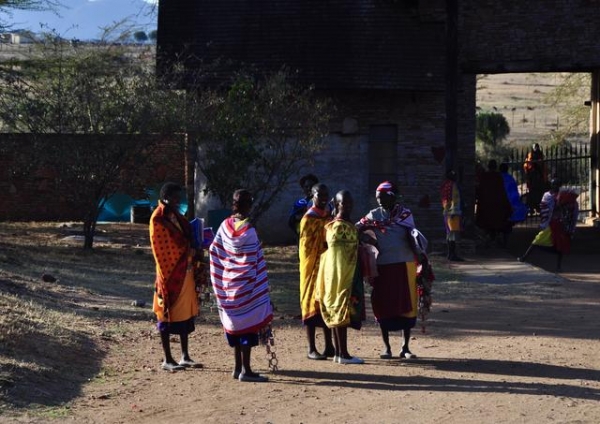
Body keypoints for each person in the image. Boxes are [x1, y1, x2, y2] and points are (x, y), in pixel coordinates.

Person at [357, 181, 426, 360]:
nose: (379, 201)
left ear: (392, 197)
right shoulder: (374, 215)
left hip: (405, 265)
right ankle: (386, 347)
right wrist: (367, 239)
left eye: (382, 197)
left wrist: (421, 255)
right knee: (383, 305)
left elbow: (414, 237)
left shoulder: (405, 214)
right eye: (377, 198)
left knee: (406, 305)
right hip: (383, 266)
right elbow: (356, 228)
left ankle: (405, 347)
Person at [209, 189, 273, 382]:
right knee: (248, 327)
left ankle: (237, 368)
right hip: (247, 288)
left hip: (228, 286)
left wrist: (226, 274)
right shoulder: (250, 231)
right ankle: (246, 370)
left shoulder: (224, 226)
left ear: (233, 205)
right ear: (248, 206)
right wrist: (249, 279)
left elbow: (214, 250)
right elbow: (253, 259)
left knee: (236, 327)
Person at [149, 182, 202, 372]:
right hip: (169, 274)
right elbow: (163, 249)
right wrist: (188, 249)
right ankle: (167, 359)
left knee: (185, 313)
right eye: (175, 197)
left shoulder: (175, 215)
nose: (178, 201)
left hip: (184, 271)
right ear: (166, 197)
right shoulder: (158, 218)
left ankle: (184, 355)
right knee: (166, 314)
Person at [316, 189, 365, 364]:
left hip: (335, 275)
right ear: (337, 204)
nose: (349, 206)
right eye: (345, 203)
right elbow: (343, 255)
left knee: (338, 312)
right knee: (341, 312)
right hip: (342, 275)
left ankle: (339, 353)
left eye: (351, 203)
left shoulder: (334, 225)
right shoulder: (340, 227)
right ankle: (343, 354)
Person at [298, 183, 335, 360]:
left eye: (326, 195)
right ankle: (311, 348)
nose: (323, 198)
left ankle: (329, 346)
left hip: (328, 266)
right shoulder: (308, 219)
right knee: (311, 305)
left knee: (327, 305)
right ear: (312, 196)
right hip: (312, 268)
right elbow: (305, 248)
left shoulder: (330, 216)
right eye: (320, 195)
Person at [518, 178, 579, 272]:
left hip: (559, 224)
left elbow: (571, 210)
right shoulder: (547, 195)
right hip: (550, 224)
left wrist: (562, 205)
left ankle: (558, 266)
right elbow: (544, 208)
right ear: (551, 185)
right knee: (537, 240)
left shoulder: (564, 196)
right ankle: (524, 257)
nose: (556, 187)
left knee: (560, 246)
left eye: (557, 185)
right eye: (554, 184)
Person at [475, 160, 512, 246]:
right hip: (497, 204)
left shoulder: (484, 176)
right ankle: (496, 238)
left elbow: (480, 189)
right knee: (499, 222)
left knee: (487, 224)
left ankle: (490, 239)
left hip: (486, 205)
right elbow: (502, 191)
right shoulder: (498, 177)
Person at [499, 162, 528, 247]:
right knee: (507, 224)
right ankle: (505, 241)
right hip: (509, 204)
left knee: (500, 222)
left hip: (500, 203)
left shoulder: (498, 178)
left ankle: (500, 240)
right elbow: (514, 193)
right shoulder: (510, 178)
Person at [440, 169, 464, 261]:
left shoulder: (445, 185)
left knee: (449, 234)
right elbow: (455, 199)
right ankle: (453, 255)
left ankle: (450, 254)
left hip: (446, 212)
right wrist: (454, 211)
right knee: (453, 234)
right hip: (453, 212)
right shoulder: (453, 185)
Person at [523, 143, 548, 215]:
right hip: (532, 178)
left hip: (539, 178)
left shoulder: (540, 155)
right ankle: (531, 208)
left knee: (540, 194)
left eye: (537, 147)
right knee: (532, 194)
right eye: (535, 147)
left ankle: (538, 208)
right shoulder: (530, 156)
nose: (536, 149)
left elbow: (544, 166)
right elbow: (526, 166)